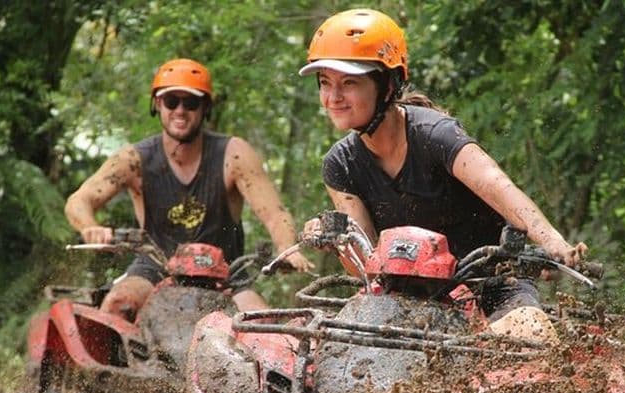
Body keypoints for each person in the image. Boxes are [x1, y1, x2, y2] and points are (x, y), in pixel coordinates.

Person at [298, 9, 587, 343]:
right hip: (410, 299)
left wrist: (551, 242)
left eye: (349, 83)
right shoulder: (340, 163)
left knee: (531, 334)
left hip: (492, 285)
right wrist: (337, 240)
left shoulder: (436, 134)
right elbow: (366, 264)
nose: (333, 97)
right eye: (325, 84)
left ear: (388, 84)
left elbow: (499, 186)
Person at [65, 58, 313, 318]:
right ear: (158, 104)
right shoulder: (134, 160)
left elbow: (275, 214)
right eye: (172, 101)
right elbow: (79, 200)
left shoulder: (234, 155)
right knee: (117, 303)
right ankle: (100, 361)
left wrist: (287, 249)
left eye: (190, 102)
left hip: (226, 272)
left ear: (205, 107)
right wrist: (89, 227)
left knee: (263, 324)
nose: (180, 110)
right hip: (154, 267)